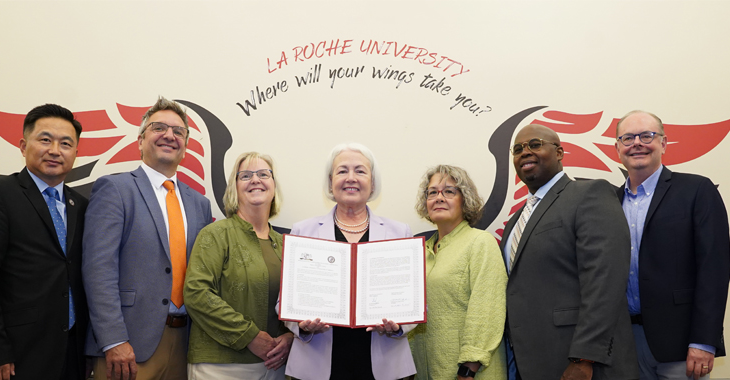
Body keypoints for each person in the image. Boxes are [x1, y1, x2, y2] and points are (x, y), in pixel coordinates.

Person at [83, 97, 213, 380]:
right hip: (127, 345)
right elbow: (98, 269)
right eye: (159, 128)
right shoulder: (115, 189)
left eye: (178, 131)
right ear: (140, 140)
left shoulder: (200, 204)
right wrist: (113, 340)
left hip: (185, 343)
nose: (169, 135)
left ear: (186, 147)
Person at [0, 104, 89, 380]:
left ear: (76, 153)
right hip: (15, 356)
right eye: (45, 140)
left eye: (66, 143)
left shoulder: (81, 205)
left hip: (73, 355)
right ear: (22, 145)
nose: (55, 150)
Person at [500, 124, 637, 380]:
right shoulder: (515, 222)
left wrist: (583, 357)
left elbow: (604, 281)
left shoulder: (589, 193)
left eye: (536, 144)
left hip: (583, 364)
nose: (525, 152)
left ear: (560, 152)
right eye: (518, 149)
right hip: (532, 363)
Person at [284, 143, 417, 380]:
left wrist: (398, 326)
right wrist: (302, 326)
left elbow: (416, 302)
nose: (351, 178)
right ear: (330, 181)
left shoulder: (399, 232)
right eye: (342, 171)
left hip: (383, 366)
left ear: (373, 183)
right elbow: (284, 302)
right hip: (318, 364)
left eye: (360, 171)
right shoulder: (303, 231)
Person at [614, 110, 730, 380]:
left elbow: (714, 270)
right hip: (624, 345)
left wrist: (703, 342)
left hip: (681, 346)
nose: (637, 143)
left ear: (664, 143)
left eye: (647, 135)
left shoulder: (697, 191)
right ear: (617, 147)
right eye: (628, 138)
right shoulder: (608, 201)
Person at [183, 152, 293, 379]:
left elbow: (296, 303)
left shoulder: (286, 244)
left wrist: (291, 337)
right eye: (245, 175)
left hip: (275, 365)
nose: (255, 180)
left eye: (264, 174)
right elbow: (197, 294)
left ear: (273, 186)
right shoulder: (215, 234)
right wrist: (249, 336)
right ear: (234, 188)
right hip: (221, 366)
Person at [408, 165, 507, 380]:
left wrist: (468, 369)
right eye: (432, 192)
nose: (439, 197)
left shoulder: (480, 243)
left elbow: (487, 310)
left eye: (449, 191)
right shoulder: (420, 254)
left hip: (470, 374)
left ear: (465, 199)